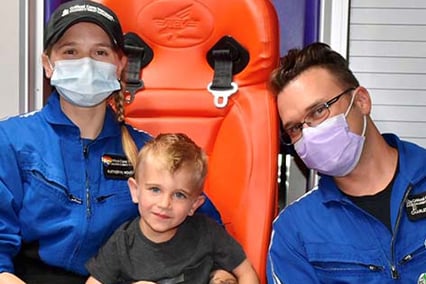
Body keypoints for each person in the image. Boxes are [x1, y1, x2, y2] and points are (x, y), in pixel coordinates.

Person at [0, 1, 221, 283]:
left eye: (100, 52)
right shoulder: (10, 140)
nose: (86, 63)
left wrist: (219, 273)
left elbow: (207, 232)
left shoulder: (148, 153)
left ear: (120, 65)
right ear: (47, 64)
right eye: (71, 51)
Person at [266, 42, 426, 283]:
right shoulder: (294, 231)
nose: (310, 133)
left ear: (361, 101)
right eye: (295, 128)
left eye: (319, 111)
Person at [85, 133, 260, 284]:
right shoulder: (121, 244)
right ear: (135, 191)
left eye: (179, 195)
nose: (164, 204)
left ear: (194, 205)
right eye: (155, 189)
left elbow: (245, 271)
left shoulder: (207, 232)